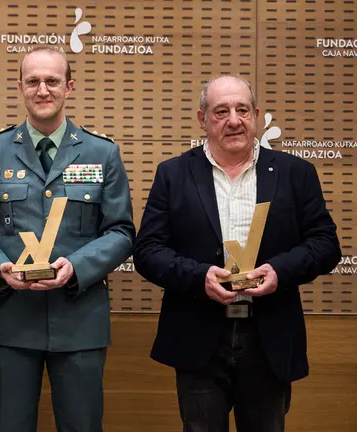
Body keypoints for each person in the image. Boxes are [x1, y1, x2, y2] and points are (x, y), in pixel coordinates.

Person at [133, 75, 341, 431]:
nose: (233, 120)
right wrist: (199, 277)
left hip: (270, 337)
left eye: (242, 110)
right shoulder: (173, 174)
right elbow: (148, 251)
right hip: (198, 337)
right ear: (202, 120)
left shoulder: (295, 173)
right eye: (221, 111)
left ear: (256, 115)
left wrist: (280, 271)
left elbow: (325, 244)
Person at [0, 47, 135, 431]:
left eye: (52, 81)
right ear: (20, 87)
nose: (43, 89)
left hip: (80, 321)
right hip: (11, 320)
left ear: (69, 86)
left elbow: (122, 231)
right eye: (33, 81)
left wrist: (76, 266)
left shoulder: (102, 152)